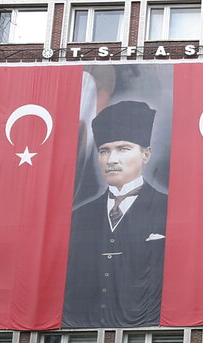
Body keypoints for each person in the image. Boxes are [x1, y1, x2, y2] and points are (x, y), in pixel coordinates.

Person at [63, 100, 168, 328]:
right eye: (104, 151)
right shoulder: (79, 217)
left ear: (146, 154)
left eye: (123, 148)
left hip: (149, 328)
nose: (111, 160)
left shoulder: (169, 209)